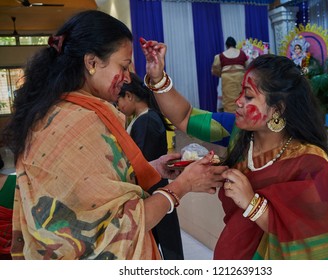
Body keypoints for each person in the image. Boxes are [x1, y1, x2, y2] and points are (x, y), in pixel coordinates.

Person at [1, 10, 228, 260]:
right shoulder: (82, 122)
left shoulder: (53, 112)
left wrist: (153, 168)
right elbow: (118, 227)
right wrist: (182, 186)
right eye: (123, 65)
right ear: (92, 63)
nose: (128, 76)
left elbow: (90, 187)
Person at [141, 38, 328, 260]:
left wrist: (253, 204)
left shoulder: (310, 162)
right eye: (240, 92)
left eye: (248, 96)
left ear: (277, 109)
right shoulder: (238, 132)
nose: (238, 101)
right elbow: (185, 116)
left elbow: (311, 237)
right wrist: (158, 77)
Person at [117, 73, 184, 260]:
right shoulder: (142, 119)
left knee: (166, 244)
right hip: (154, 188)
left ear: (129, 96)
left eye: (118, 101)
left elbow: (142, 162)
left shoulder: (146, 121)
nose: (118, 107)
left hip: (154, 190)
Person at [211, 36, 248, 113]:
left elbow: (214, 70)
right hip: (239, 77)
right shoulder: (242, 54)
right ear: (235, 45)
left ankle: (230, 119)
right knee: (240, 97)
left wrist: (221, 74)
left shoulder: (220, 56)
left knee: (228, 100)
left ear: (226, 45)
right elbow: (248, 67)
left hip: (226, 78)